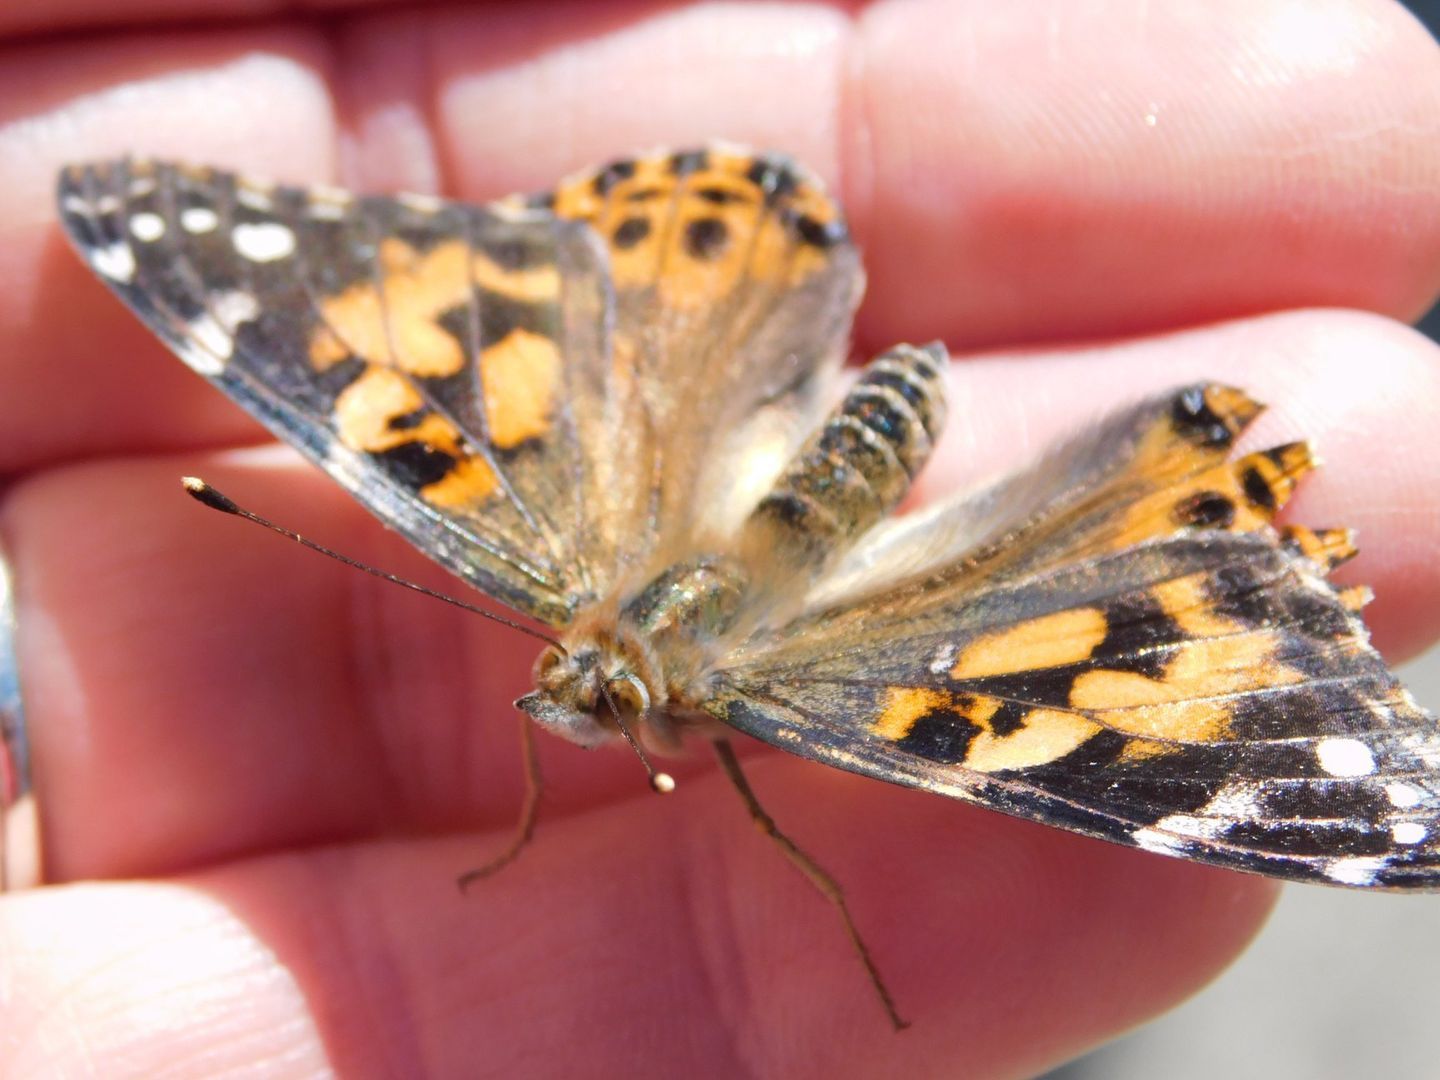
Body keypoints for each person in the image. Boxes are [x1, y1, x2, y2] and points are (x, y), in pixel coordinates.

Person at [1, 0, 1438, 1074]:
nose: (555, 697)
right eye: (581, 694)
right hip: (709, 465)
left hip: (703, 414)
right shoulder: (607, 613)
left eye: (582, 689)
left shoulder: (625, 617)